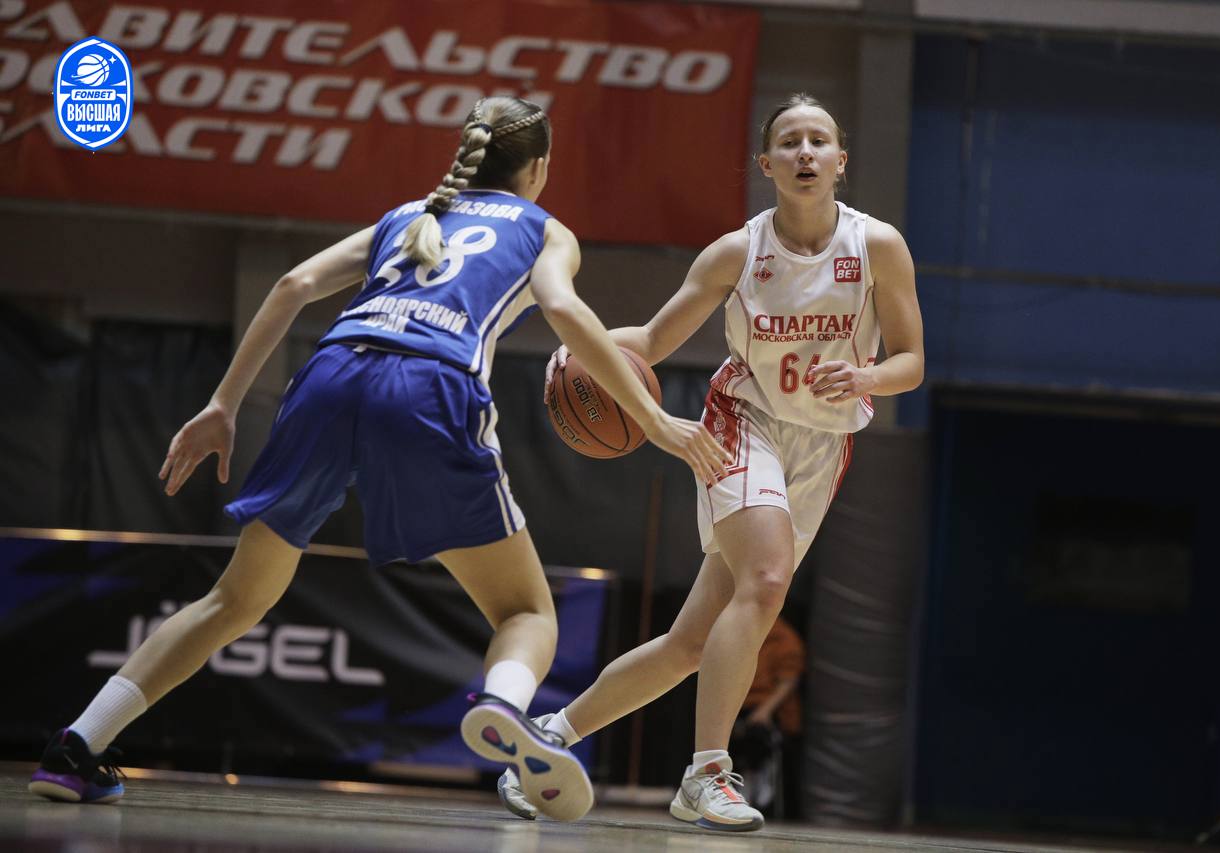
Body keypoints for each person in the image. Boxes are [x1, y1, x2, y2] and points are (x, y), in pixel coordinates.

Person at [27, 96, 728, 823]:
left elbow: (292, 286)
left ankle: (75, 748)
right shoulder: (543, 228)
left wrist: (222, 404)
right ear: (539, 169)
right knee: (525, 610)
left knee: (232, 600)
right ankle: (502, 704)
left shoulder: (411, 214)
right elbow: (565, 311)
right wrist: (653, 419)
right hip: (429, 384)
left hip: (330, 376)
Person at [499, 93, 924, 831]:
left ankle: (545, 738)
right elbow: (652, 341)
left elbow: (911, 362)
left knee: (690, 644)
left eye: (818, 141)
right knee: (767, 581)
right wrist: (576, 352)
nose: (804, 152)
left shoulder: (878, 245)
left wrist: (866, 376)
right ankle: (706, 774)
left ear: (840, 161)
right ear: (766, 164)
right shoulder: (736, 251)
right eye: (788, 142)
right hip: (741, 423)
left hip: (824, 443)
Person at [729, 614, 805, 815]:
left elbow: (788, 682)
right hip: (740, 704)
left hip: (771, 710)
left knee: (756, 732)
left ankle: (757, 783)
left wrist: (764, 711)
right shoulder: (741, 634)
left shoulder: (784, 639)